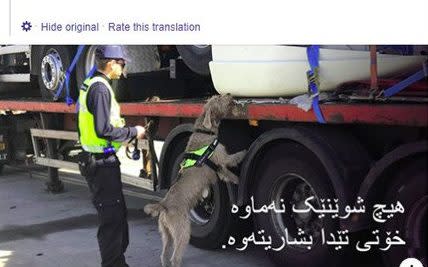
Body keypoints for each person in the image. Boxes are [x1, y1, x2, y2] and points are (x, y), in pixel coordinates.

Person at [77, 45, 145, 267]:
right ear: (111, 62)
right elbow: (103, 130)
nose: (122, 68)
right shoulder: (101, 89)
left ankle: (117, 262)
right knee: (112, 220)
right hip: (101, 164)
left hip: (99, 160)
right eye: (122, 63)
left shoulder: (93, 83)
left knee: (116, 216)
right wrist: (133, 132)